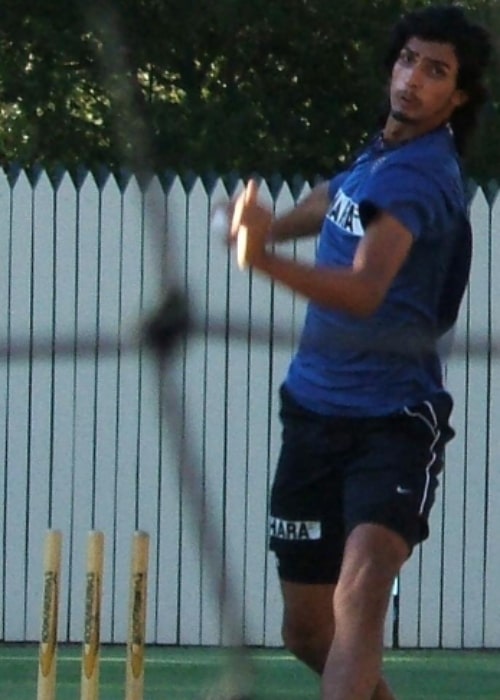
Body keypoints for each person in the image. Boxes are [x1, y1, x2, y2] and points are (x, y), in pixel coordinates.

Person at [226, 5, 493, 700]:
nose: (413, 80)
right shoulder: (383, 150)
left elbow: (364, 289)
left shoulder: (418, 177)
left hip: (394, 420)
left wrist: (259, 259)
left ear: (457, 97)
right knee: (307, 633)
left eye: (436, 72)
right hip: (313, 411)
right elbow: (338, 196)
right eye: (408, 60)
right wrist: (272, 229)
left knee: (363, 586)